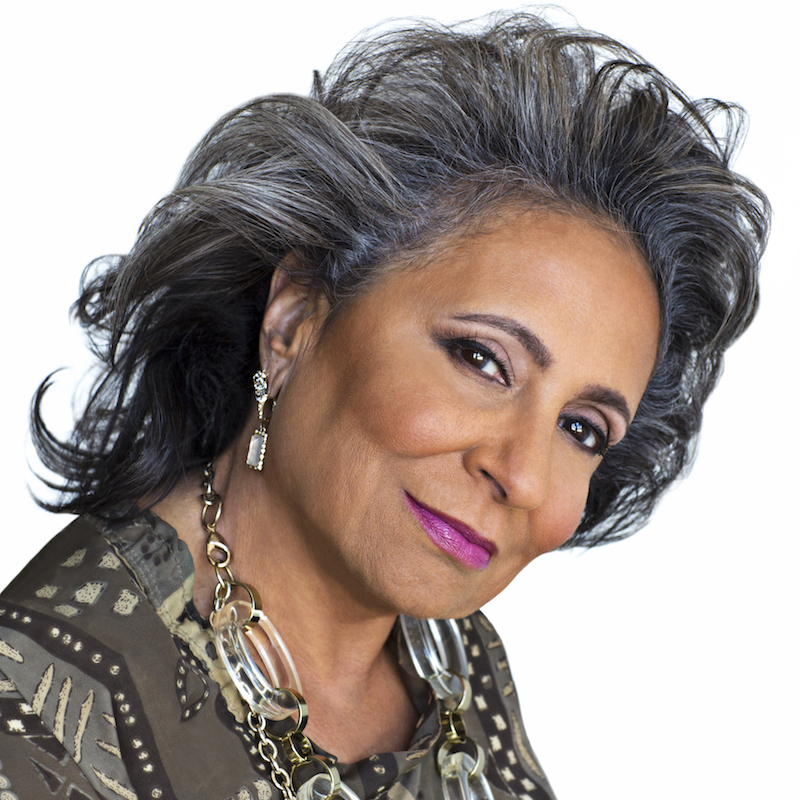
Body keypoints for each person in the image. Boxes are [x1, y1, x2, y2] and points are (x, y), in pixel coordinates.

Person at [0, 11, 767, 800]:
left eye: (581, 428)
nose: (523, 476)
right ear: (295, 320)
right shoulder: (37, 717)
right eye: (482, 360)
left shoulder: (455, 668)